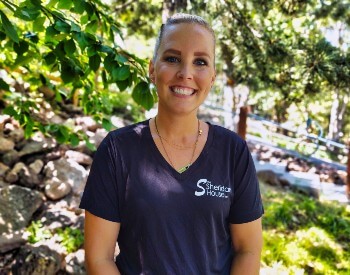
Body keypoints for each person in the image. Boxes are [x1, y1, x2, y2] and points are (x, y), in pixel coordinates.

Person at [80, 13, 264, 275]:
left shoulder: (233, 152)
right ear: (152, 68)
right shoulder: (117, 151)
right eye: (172, 58)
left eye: (200, 62)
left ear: (212, 77)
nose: (185, 73)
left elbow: (248, 249)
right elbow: (99, 259)